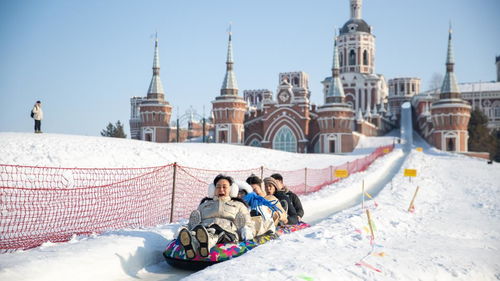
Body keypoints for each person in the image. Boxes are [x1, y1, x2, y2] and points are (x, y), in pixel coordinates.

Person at [176, 174, 254, 259]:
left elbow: (247, 222)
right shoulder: (204, 205)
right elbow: (194, 221)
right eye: (218, 187)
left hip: (228, 231)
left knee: (217, 232)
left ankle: (204, 243)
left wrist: (246, 229)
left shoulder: (239, 205)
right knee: (198, 231)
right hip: (203, 229)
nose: (221, 189)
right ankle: (194, 241)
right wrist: (184, 229)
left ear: (231, 190)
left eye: (224, 187)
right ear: (213, 189)